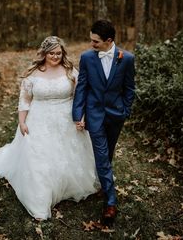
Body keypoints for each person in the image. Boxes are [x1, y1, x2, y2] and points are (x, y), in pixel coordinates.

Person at [0, 36, 99, 220]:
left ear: (63, 53)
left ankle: (68, 185)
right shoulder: (33, 74)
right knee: (40, 157)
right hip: (39, 119)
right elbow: (25, 100)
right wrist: (22, 122)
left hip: (66, 119)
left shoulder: (71, 71)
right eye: (51, 53)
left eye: (58, 53)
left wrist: (82, 117)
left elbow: (81, 97)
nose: (55, 56)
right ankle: (40, 197)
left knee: (66, 154)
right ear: (44, 54)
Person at [72, 20, 135, 224]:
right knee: (101, 156)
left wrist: (125, 110)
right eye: (91, 40)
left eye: (95, 41)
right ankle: (110, 201)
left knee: (107, 154)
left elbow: (129, 88)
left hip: (116, 115)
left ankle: (102, 184)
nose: (92, 44)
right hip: (95, 114)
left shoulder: (126, 59)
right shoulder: (87, 58)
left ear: (109, 41)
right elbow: (82, 87)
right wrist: (77, 114)